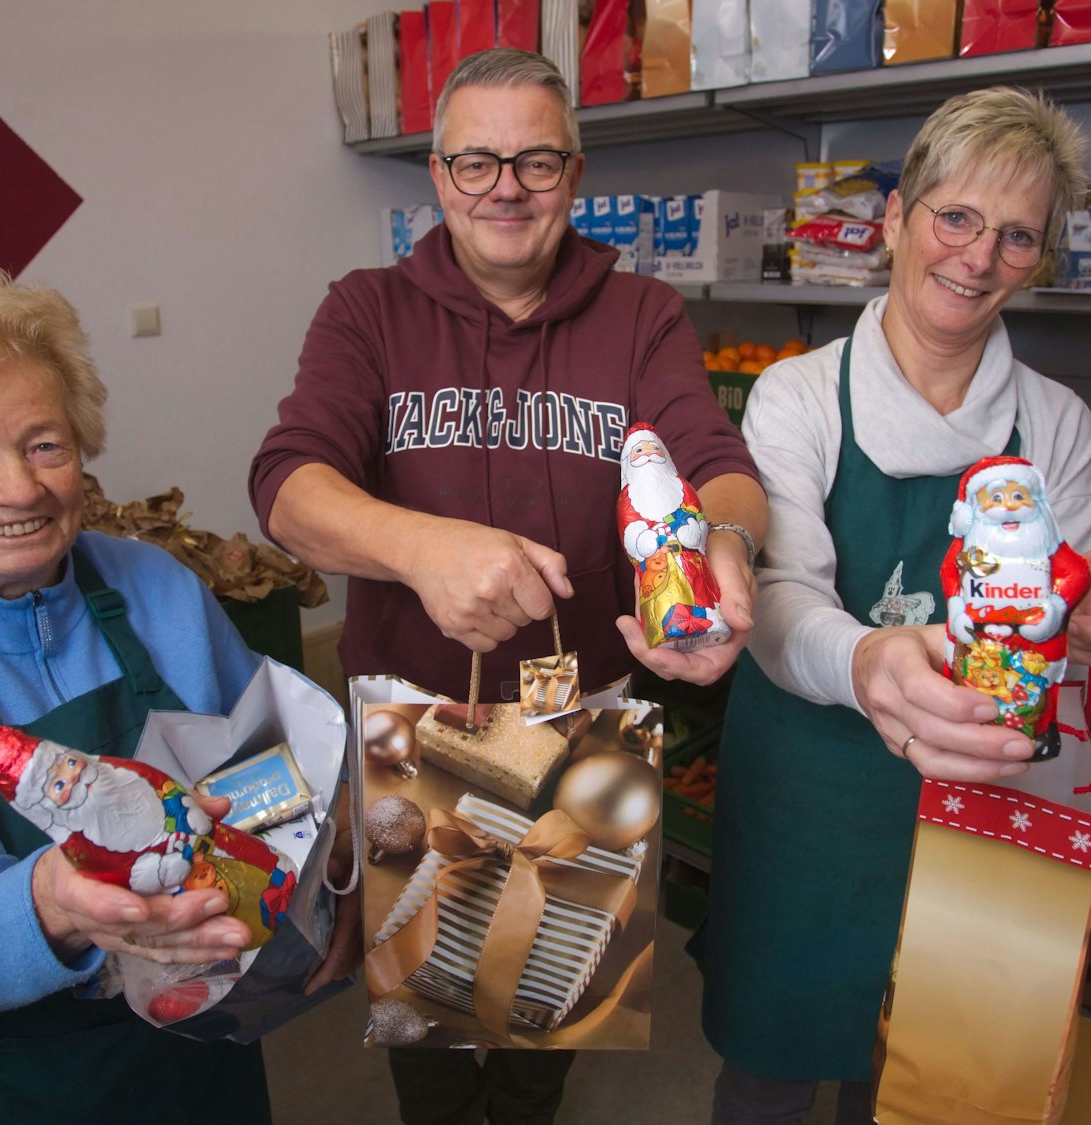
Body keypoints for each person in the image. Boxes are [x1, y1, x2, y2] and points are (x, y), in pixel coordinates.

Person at [250, 47, 766, 1125]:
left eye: (534, 162)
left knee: (555, 996)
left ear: (574, 176)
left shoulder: (641, 314)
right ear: (436, 175)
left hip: (588, 720)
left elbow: (713, 461)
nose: (504, 189)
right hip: (413, 719)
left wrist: (727, 552)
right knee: (427, 1010)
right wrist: (420, 548)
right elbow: (288, 486)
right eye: (475, 161)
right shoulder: (366, 310)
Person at [0, 257, 339, 1123]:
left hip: (192, 1051)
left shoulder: (154, 585)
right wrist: (55, 901)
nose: (20, 487)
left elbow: (267, 767)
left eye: (46, 444)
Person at [695, 88, 1091, 1124]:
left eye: (1015, 235)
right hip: (808, 801)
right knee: (768, 1064)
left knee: (916, 1073)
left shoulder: (1056, 426)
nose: (976, 258)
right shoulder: (800, 397)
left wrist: (1081, 633)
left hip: (980, 797)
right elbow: (776, 599)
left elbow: (1058, 630)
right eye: (954, 217)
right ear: (897, 218)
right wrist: (866, 664)